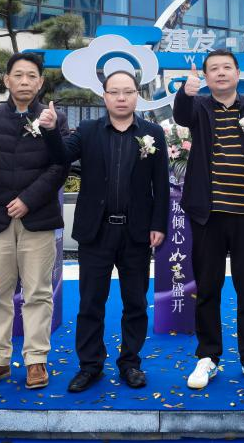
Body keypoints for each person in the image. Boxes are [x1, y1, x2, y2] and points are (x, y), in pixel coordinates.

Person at [38, 71, 168, 393]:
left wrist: (158, 224)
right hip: (96, 231)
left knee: (135, 302)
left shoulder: (152, 133)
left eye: (128, 91)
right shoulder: (88, 130)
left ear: (137, 95)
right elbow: (61, 156)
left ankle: (130, 363)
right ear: (104, 96)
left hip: (136, 233)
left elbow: (161, 184)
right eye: (115, 92)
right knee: (91, 303)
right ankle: (90, 366)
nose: (121, 98)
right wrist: (51, 130)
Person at [172, 50, 244, 390]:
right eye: (213, 69)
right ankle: (208, 356)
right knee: (208, 288)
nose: (220, 73)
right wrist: (186, 92)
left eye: (226, 68)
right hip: (208, 215)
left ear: (237, 72)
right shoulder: (199, 107)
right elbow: (181, 115)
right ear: (206, 77)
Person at [0, 53, 67, 391]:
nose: (24, 81)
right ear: (6, 80)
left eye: (31, 76)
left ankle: (36, 359)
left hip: (38, 216)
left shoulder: (53, 117)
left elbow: (61, 165)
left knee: (38, 292)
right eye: (18, 75)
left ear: (41, 82)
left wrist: (28, 199)